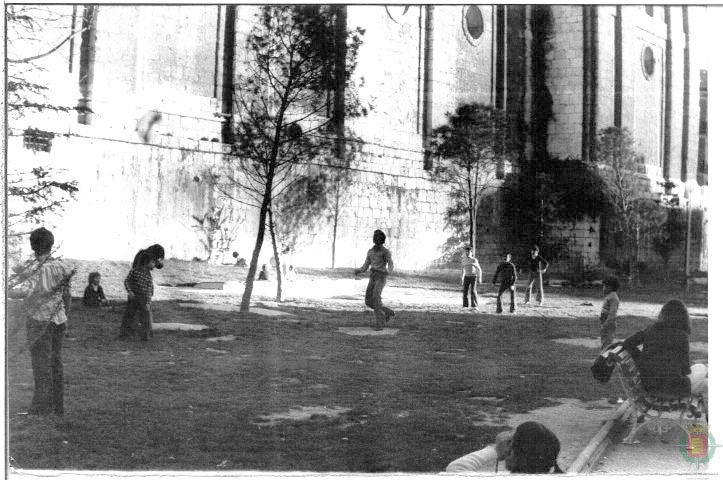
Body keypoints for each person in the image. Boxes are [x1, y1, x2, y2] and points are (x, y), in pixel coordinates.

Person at [9, 227, 74, 416]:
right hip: (59, 319)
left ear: (33, 245)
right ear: (51, 244)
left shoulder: (36, 268)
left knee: (40, 364)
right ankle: (57, 407)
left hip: (39, 320)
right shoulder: (62, 266)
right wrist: (65, 315)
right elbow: (67, 294)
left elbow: (25, 291)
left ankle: (41, 409)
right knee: (55, 362)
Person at [622, 299, 707, 399]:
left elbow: (628, 343)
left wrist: (641, 359)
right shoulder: (681, 336)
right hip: (671, 389)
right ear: (683, 318)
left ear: (663, 314)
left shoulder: (651, 329)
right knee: (703, 372)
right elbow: (685, 370)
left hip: (649, 386)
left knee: (704, 376)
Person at [354, 229, 395, 330]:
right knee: (368, 301)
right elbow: (366, 265)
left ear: (382, 240)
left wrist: (389, 271)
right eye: (375, 238)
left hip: (381, 276)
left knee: (376, 298)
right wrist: (359, 270)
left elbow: (390, 263)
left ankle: (380, 324)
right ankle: (387, 311)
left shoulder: (385, 252)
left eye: (378, 238)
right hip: (372, 276)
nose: (376, 240)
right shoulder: (370, 252)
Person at [119, 251, 156, 341]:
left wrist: (148, 302)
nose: (154, 265)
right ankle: (124, 335)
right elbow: (127, 281)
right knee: (129, 316)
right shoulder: (134, 271)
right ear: (147, 262)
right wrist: (130, 291)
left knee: (145, 318)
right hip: (134, 298)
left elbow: (149, 291)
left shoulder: (149, 276)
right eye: (153, 262)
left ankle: (145, 336)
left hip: (143, 299)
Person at [599, 276, 620, 349]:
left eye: (605, 286)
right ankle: (604, 356)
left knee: (607, 343)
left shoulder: (613, 297)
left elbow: (612, 313)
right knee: (604, 341)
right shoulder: (609, 296)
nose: (603, 288)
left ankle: (606, 357)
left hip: (609, 323)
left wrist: (607, 323)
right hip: (605, 322)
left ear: (610, 287)